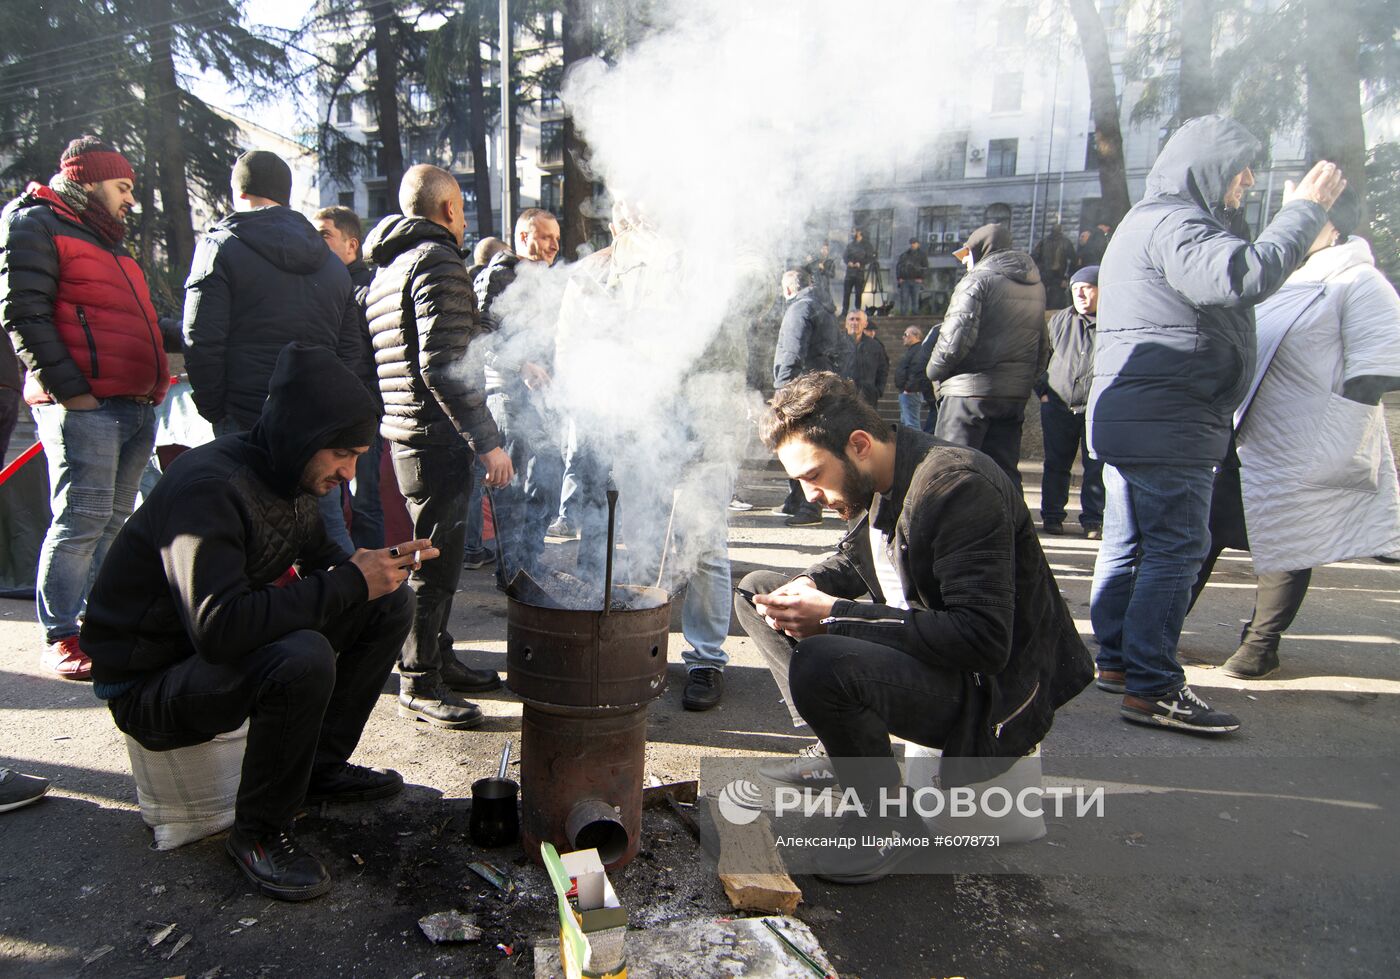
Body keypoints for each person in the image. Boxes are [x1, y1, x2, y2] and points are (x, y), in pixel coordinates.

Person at [80, 342, 421, 901]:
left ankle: (317, 770)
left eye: (358, 456)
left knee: (386, 604)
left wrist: (381, 568)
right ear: (302, 434)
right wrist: (346, 582)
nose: (348, 472)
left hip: (199, 658)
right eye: (342, 453)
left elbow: (327, 574)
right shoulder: (210, 488)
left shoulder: (291, 480)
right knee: (300, 657)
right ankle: (260, 832)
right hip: (148, 682)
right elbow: (218, 628)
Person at [733, 371, 1092, 882]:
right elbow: (862, 561)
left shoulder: (957, 487)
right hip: (935, 654)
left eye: (813, 475)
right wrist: (807, 586)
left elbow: (983, 642)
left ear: (858, 444)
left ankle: (892, 824)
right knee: (757, 589)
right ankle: (843, 749)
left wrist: (835, 615)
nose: (808, 494)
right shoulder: (880, 473)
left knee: (822, 661)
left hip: (991, 694)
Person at [1087, 115, 1345, 734]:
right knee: (1176, 549)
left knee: (1130, 548)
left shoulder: (1154, 219)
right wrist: (1305, 211)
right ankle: (1154, 687)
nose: (1249, 182)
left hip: (1145, 418)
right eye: (1240, 169)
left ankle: (1121, 662)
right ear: (1208, 168)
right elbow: (1241, 276)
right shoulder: (1176, 221)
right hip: (1169, 421)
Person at [1188, 185, 1400, 679]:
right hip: (1246, 434)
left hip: (1307, 437)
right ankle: (1161, 628)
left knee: (1288, 541)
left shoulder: (1360, 280)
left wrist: (1337, 425)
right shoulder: (1287, 278)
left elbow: (1383, 362)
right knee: (1202, 532)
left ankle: (1261, 644)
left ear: (1333, 225)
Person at [0, 135, 172, 681]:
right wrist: (74, 393)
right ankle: (61, 633)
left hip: (133, 405)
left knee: (116, 521)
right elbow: (23, 314)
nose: (130, 200)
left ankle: (103, 625)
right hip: (84, 408)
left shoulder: (110, 244)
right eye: (122, 187)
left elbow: (132, 323)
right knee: (81, 520)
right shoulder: (34, 224)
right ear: (90, 180)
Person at [363, 164, 515, 729]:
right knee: (434, 561)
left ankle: (437, 656)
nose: (466, 220)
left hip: (407, 432)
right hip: (435, 437)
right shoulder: (437, 258)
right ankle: (420, 680)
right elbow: (443, 365)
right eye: (463, 209)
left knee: (439, 557)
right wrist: (488, 442)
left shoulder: (391, 265)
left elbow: (443, 336)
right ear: (449, 208)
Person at [183, 151, 366, 562]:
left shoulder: (220, 246)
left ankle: (258, 619)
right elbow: (349, 351)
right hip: (315, 424)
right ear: (286, 194)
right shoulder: (332, 264)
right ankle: (353, 615)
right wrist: (328, 414)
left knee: (244, 530)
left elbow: (201, 339)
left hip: (245, 418)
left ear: (239, 191)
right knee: (326, 530)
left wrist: (215, 407)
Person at [473, 208, 564, 591]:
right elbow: (480, 340)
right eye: (546, 237)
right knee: (509, 489)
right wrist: (520, 365)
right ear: (525, 236)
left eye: (557, 238)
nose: (555, 246)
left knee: (550, 477)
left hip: (540, 400)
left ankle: (528, 559)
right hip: (505, 397)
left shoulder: (544, 281)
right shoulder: (499, 275)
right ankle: (513, 572)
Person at [926, 223, 1047, 488]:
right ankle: (1010, 528)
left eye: (965, 255)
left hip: (968, 395)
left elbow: (953, 341)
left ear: (978, 250)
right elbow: (1042, 347)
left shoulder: (977, 280)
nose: (964, 262)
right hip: (1012, 396)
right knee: (1004, 473)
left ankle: (955, 529)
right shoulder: (1034, 286)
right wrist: (1021, 382)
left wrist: (932, 372)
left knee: (953, 470)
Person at [314, 205, 384, 550]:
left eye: (325, 235)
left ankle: (366, 581)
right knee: (336, 499)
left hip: (361, 414)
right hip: (333, 412)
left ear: (351, 245)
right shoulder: (326, 286)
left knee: (365, 502)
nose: (316, 244)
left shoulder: (366, 289)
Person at [1035, 265, 1103, 539]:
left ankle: (1093, 520)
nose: (1081, 295)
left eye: (1087, 288)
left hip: (1096, 408)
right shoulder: (1060, 320)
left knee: (1096, 466)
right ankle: (1052, 516)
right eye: (1076, 290)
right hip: (1059, 404)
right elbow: (1039, 355)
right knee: (1056, 464)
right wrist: (1042, 390)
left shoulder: (1113, 321)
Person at [772, 266, 840, 527]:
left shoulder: (800, 308)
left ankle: (809, 508)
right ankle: (795, 501)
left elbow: (792, 348)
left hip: (801, 387)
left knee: (799, 444)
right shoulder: (822, 307)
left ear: (789, 288)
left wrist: (782, 385)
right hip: (818, 382)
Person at [1032, 224, 1076, 309]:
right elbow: (1074, 260)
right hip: (1055, 276)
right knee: (1055, 302)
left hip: (1049, 275)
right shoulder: (1064, 242)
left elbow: (1034, 257)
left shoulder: (1045, 241)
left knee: (1045, 300)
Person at [893, 325, 927, 429]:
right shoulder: (913, 350)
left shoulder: (918, 350)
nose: (903, 337)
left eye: (906, 334)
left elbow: (917, 371)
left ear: (915, 336)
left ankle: (916, 445)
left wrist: (908, 388)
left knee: (911, 424)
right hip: (907, 391)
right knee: (907, 424)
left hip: (910, 392)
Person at [852, 318, 889, 409]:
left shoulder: (877, 345)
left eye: (873, 331)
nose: (872, 333)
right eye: (869, 330)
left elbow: (883, 368)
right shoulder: (851, 343)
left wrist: (878, 389)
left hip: (870, 391)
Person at [840, 228, 874, 316]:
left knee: (858, 293)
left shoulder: (867, 245)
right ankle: (844, 312)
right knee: (846, 293)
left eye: (855, 231)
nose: (854, 233)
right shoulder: (850, 245)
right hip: (849, 272)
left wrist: (861, 263)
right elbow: (845, 256)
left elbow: (870, 257)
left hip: (859, 272)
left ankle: (857, 312)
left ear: (859, 232)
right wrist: (848, 262)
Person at [894, 237, 929, 315]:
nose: (913, 245)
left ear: (918, 244)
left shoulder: (922, 255)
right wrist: (899, 278)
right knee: (904, 299)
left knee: (915, 300)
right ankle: (903, 316)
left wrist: (921, 278)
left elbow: (925, 268)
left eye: (914, 243)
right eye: (912, 243)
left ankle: (915, 317)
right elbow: (899, 266)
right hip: (905, 280)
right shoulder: (904, 255)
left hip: (916, 280)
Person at [804, 241, 837, 313]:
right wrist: (808, 262)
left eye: (826, 249)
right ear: (820, 249)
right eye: (823, 249)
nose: (824, 251)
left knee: (827, 306)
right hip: (815, 285)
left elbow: (832, 275)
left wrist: (824, 269)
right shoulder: (816, 260)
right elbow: (807, 269)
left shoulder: (830, 262)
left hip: (824, 287)